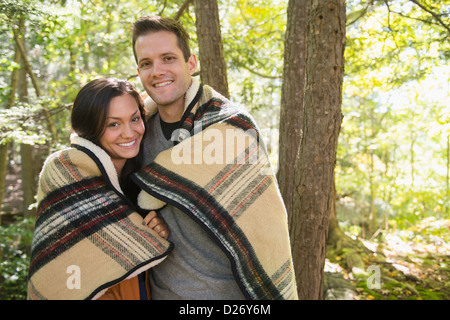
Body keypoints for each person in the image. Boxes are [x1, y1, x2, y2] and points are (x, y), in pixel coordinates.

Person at [131, 16, 298, 300]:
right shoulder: (137, 131)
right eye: (146, 63)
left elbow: (266, 224)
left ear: (191, 64)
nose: (157, 71)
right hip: (161, 293)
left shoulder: (231, 126)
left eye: (168, 58)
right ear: (139, 71)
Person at [27, 78, 173, 300]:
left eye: (135, 119)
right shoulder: (65, 171)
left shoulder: (138, 176)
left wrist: (153, 231)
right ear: (88, 128)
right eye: (113, 124)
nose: (129, 133)